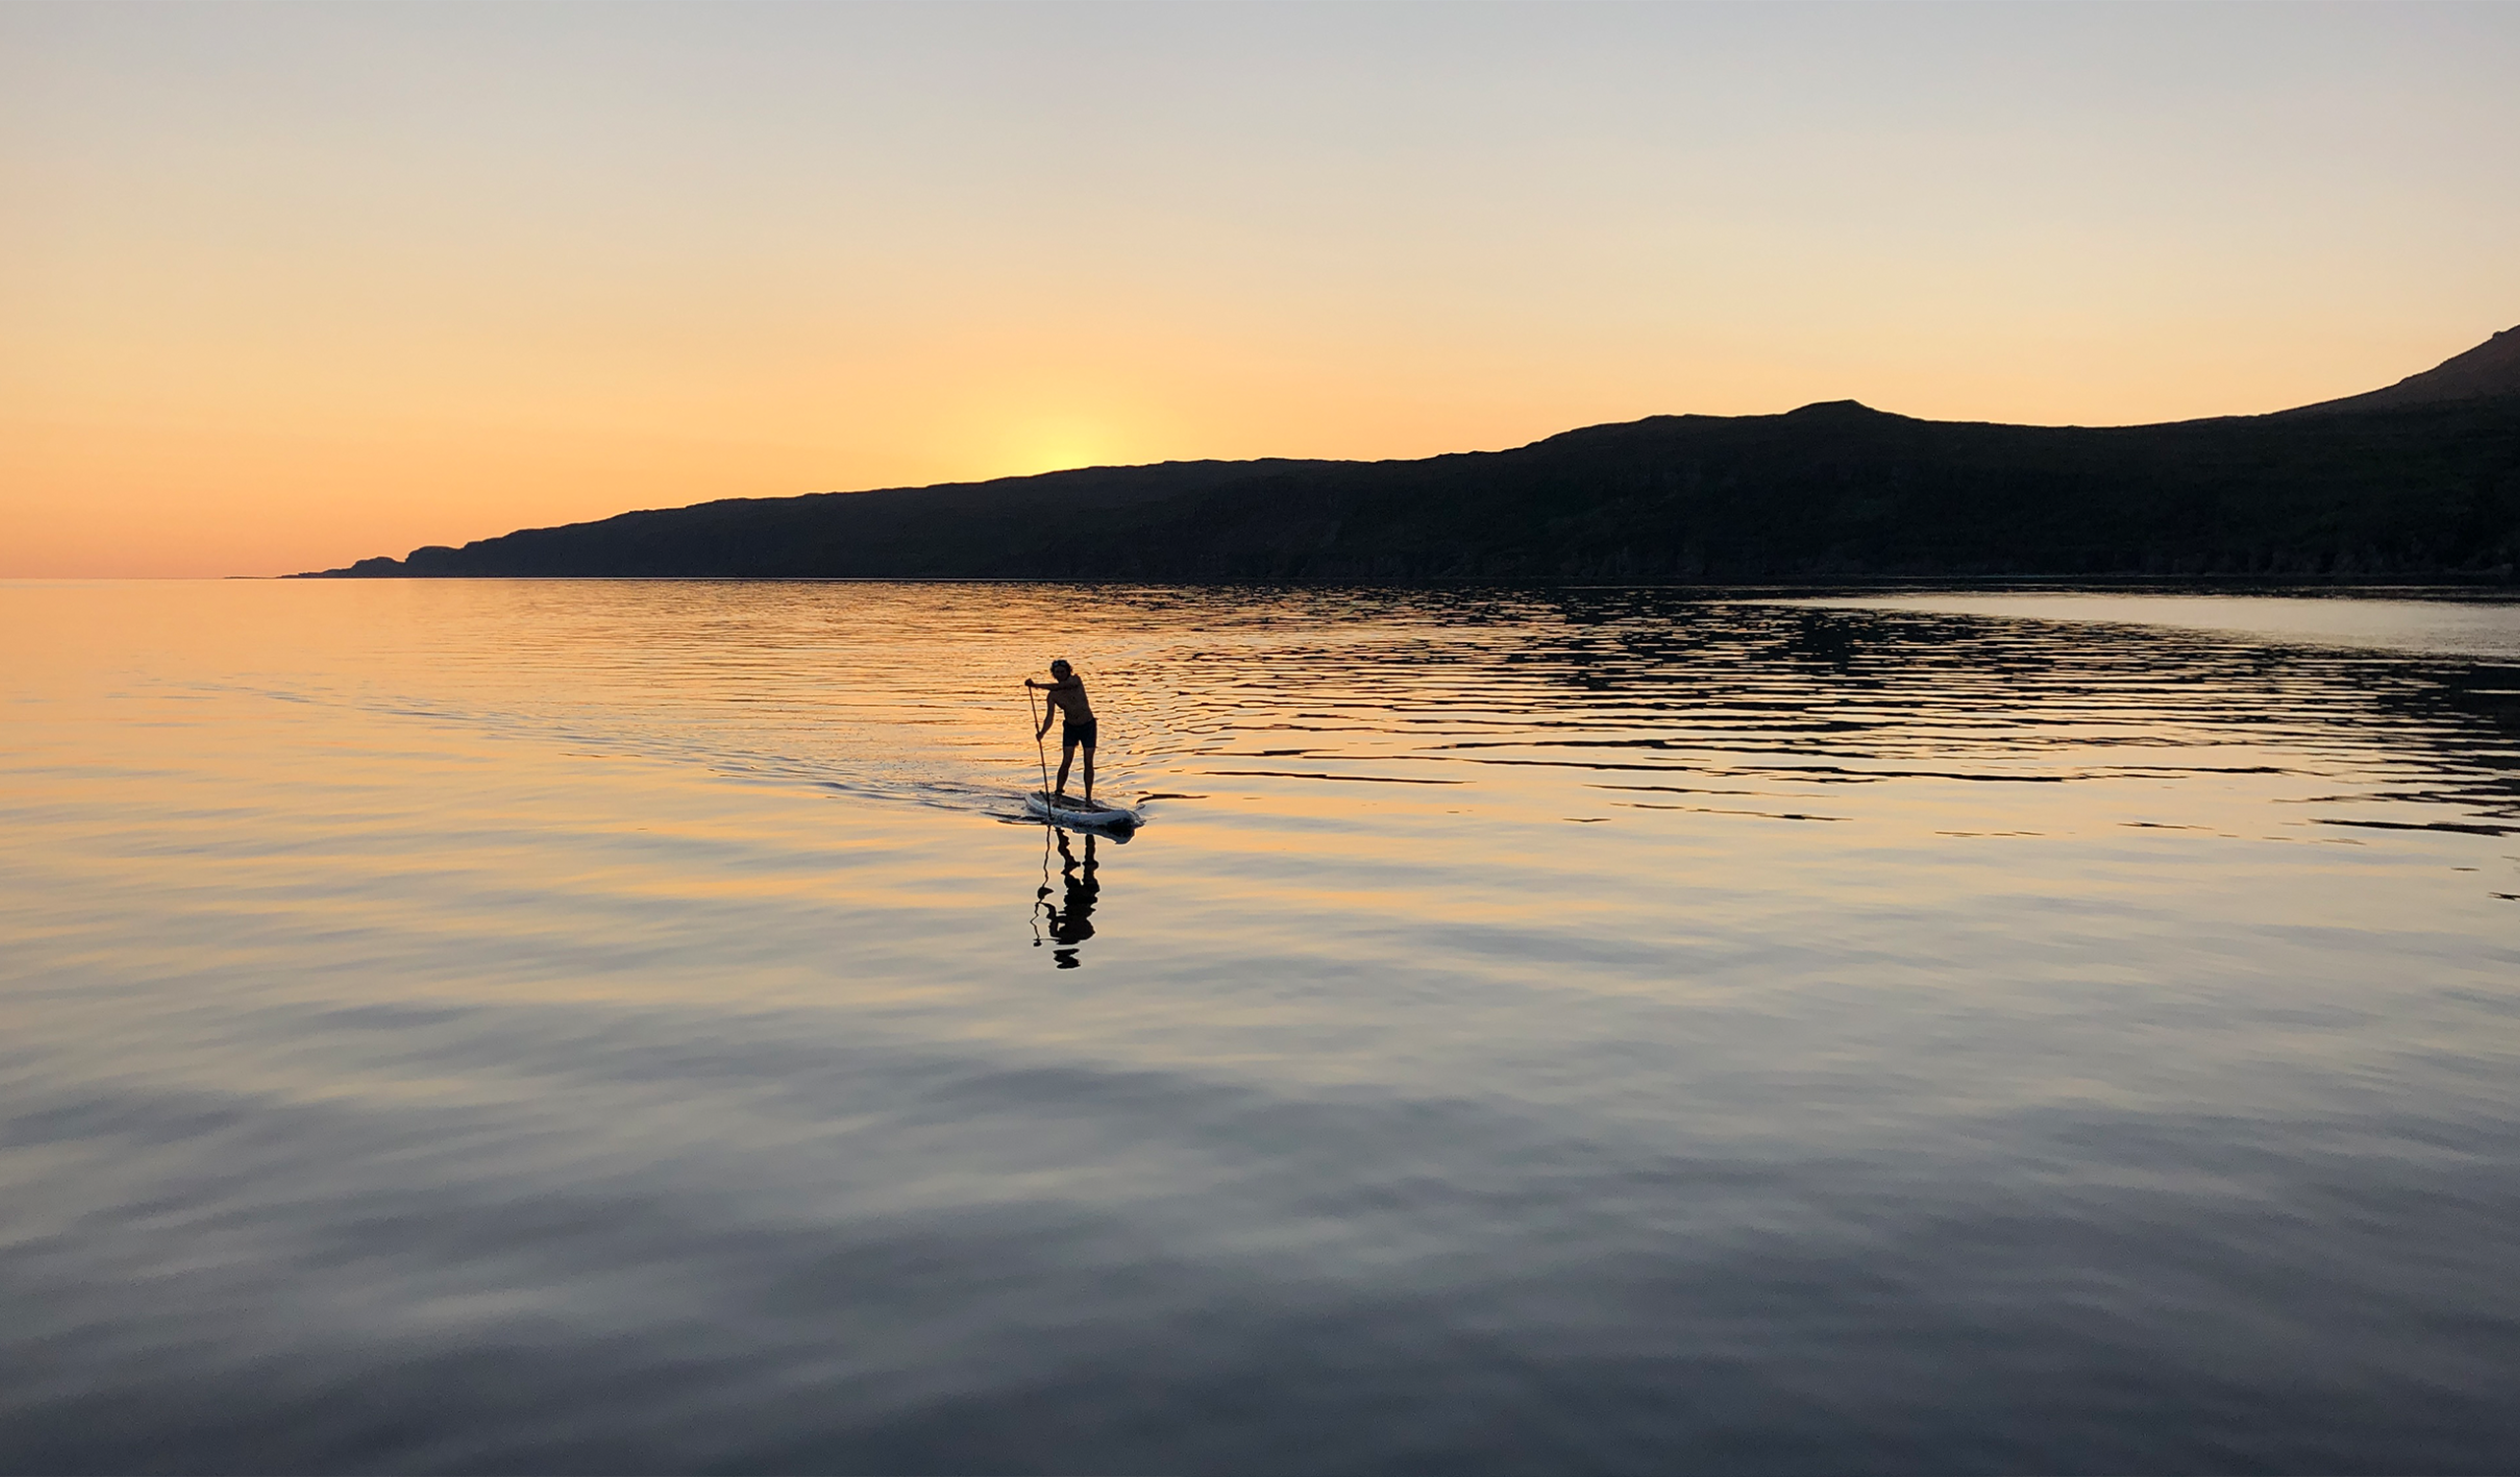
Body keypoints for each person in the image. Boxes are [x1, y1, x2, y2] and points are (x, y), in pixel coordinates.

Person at [1026, 658, 1098, 802]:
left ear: (1068, 672)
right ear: (1054, 674)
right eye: (1057, 672)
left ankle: (1088, 798)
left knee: (1088, 761)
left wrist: (1035, 686)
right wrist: (1042, 733)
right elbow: (1049, 717)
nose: (1060, 674)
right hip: (1071, 727)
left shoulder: (1076, 681)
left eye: (1062, 672)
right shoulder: (1053, 696)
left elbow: (1059, 686)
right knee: (1066, 760)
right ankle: (1058, 793)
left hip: (1088, 726)